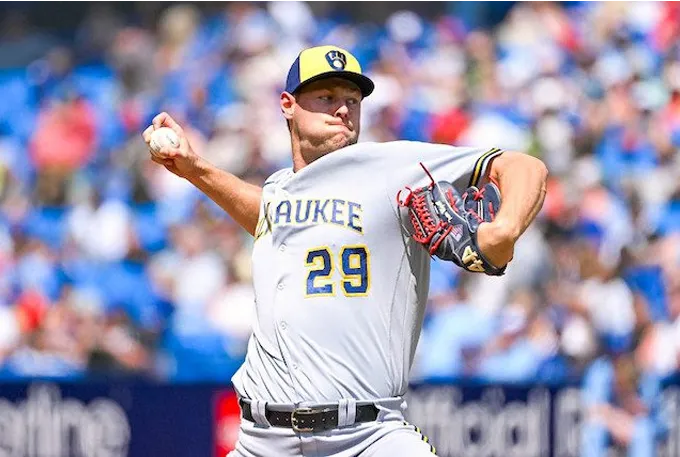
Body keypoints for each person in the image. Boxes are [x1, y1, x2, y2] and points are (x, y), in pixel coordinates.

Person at [142, 45, 548, 457]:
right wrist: (194, 167)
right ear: (288, 105)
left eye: (352, 100)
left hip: (368, 437)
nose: (342, 109)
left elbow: (523, 166)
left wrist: (504, 228)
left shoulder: (392, 166)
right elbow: (268, 217)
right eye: (327, 97)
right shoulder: (279, 193)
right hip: (263, 439)